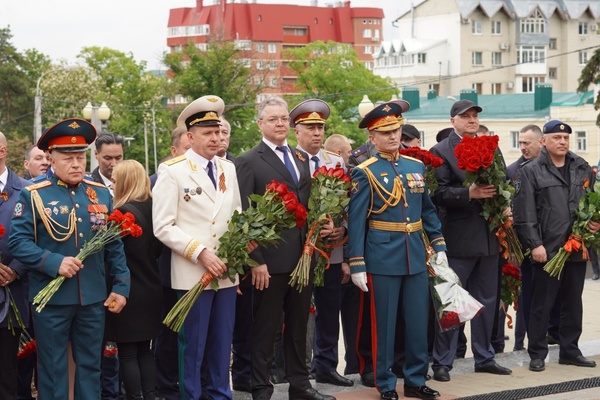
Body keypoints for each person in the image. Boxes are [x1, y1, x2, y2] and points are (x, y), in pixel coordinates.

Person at [9, 118, 130, 400]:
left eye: (80, 157)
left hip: (92, 298)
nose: (76, 164)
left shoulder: (99, 193)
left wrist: (121, 285)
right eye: (68, 158)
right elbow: (18, 242)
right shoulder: (33, 194)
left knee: (91, 366)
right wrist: (53, 262)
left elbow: (113, 244)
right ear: (51, 158)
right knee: (53, 369)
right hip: (51, 300)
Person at [235, 95, 335, 400]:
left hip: (302, 258)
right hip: (269, 263)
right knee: (265, 331)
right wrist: (256, 260)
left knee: (297, 326)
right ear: (260, 124)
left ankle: (300, 385)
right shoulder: (249, 160)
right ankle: (261, 388)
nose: (280, 123)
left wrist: (324, 225)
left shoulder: (299, 157)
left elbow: (307, 204)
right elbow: (242, 214)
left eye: (283, 119)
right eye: (273, 119)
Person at [348, 100, 443, 400]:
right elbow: (357, 220)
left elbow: (426, 211)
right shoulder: (365, 172)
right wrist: (357, 263)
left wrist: (438, 244)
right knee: (384, 326)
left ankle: (415, 380)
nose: (392, 136)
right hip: (382, 256)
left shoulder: (416, 166)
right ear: (372, 137)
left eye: (396, 130)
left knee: (417, 322)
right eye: (385, 132)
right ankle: (385, 384)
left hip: (414, 254)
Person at [153, 95, 242, 400]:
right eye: (208, 133)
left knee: (221, 344)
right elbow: (163, 225)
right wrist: (200, 252)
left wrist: (240, 252)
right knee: (192, 347)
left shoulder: (228, 168)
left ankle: (221, 395)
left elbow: (237, 217)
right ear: (190, 137)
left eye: (218, 131)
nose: (216, 138)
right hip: (193, 273)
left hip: (227, 273)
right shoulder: (173, 171)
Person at [429, 100, 512, 381]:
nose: (472, 120)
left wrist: (504, 201)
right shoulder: (440, 151)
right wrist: (468, 194)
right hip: (458, 239)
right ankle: (443, 361)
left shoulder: (491, 146)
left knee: (487, 299)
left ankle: (484, 356)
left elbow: (504, 182)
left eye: (475, 116)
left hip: (489, 236)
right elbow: (437, 194)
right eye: (465, 116)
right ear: (453, 120)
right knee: (452, 302)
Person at [513, 119, 598, 372]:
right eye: (557, 138)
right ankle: (537, 354)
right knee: (543, 303)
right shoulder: (530, 171)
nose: (562, 142)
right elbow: (524, 213)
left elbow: (591, 203)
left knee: (573, 302)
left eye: (566, 138)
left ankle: (570, 350)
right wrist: (535, 244)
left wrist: (595, 223)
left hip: (577, 246)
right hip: (547, 250)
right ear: (544, 141)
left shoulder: (581, 167)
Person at [290, 99, 353, 387]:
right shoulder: (289, 159)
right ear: (297, 131)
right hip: (299, 252)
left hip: (330, 251)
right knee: (298, 313)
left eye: (320, 127)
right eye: (310, 127)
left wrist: (343, 229)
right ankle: (297, 370)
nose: (316, 133)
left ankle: (326, 365)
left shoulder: (336, 162)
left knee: (329, 310)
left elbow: (350, 204)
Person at [104, 160, 163, 400]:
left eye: (116, 181)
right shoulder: (156, 207)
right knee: (145, 351)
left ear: (125, 182)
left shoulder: (124, 213)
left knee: (127, 353)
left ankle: (134, 397)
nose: (113, 185)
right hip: (152, 287)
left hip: (128, 290)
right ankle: (149, 395)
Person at [153, 126, 191, 400]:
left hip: (201, 270)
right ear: (174, 151)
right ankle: (166, 387)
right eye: (187, 148)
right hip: (168, 271)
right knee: (168, 335)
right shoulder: (159, 179)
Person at [0, 131, 32, 400]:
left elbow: (37, 236)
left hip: (13, 294)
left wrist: (16, 269)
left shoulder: (25, 190)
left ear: (2, 151)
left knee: (9, 370)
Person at [506, 124, 544, 352]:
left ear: (540, 142)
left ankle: (549, 336)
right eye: (519, 143)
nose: (522, 148)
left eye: (526, 143)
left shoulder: (552, 167)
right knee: (525, 294)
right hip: (523, 244)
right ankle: (521, 343)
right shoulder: (513, 171)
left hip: (550, 241)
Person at [92, 132, 125, 196]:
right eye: (108, 158)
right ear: (96, 154)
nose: (114, 164)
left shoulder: (134, 186)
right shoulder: (87, 187)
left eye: (118, 158)